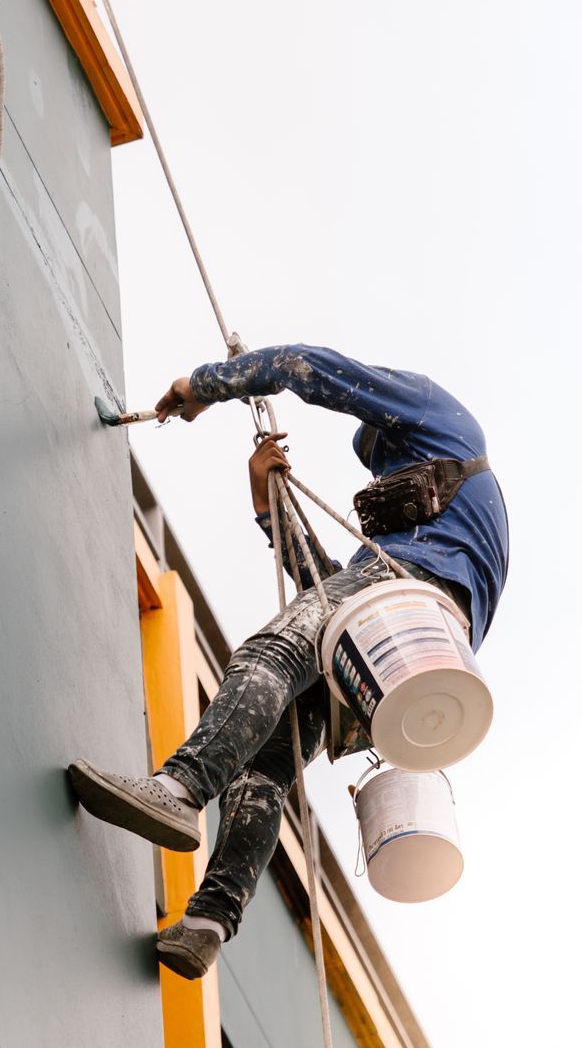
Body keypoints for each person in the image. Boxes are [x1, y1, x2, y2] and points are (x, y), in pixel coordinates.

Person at [69, 344, 509, 978]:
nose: (380, 472)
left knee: (271, 653)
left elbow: (312, 368)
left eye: (381, 456)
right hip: (402, 662)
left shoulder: (439, 419)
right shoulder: (452, 539)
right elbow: (326, 594)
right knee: (265, 763)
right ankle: (207, 923)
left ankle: (178, 788)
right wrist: (265, 505)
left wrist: (205, 386)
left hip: (403, 611)